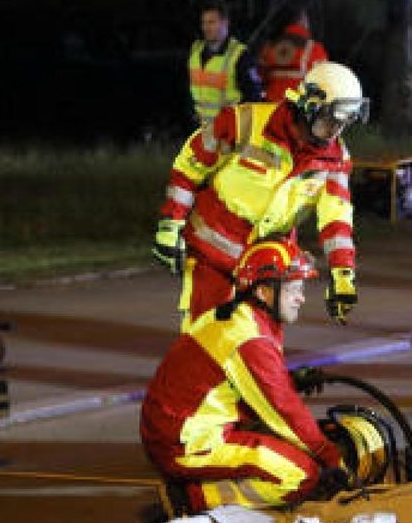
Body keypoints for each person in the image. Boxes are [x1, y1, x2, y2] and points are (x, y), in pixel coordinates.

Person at [153, 61, 367, 329]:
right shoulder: (242, 122)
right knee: (205, 340)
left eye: (343, 124)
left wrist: (343, 274)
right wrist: (171, 224)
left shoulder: (335, 158)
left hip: (270, 265)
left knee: (259, 348)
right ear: (308, 107)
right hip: (213, 256)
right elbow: (189, 167)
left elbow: (336, 221)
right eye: (330, 122)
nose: (335, 132)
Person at [141, 239, 345, 513]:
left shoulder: (238, 315)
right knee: (300, 474)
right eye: (293, 289)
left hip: (177, 430)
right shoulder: (249, 338)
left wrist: (290, 379)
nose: (302, 298)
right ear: (263, 292)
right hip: (187, 444)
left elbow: (240, 382)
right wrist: (331, 459)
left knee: (288, 446)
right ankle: (190, 500)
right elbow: (284, 411)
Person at [188, 3, 262, 125]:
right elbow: (191, 90)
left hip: (229, 129)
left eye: (211, 22)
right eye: (204, 23)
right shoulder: (196, 51)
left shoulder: (240, 55)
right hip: (201, 127)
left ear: (225, 23)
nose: (206, 27)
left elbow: (253, 97)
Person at [257, 8, 329, 102]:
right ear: (302, 21)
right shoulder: (314, 48)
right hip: (298, 103)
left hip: (271, 100)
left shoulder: (268, 46)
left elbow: (259, 75)